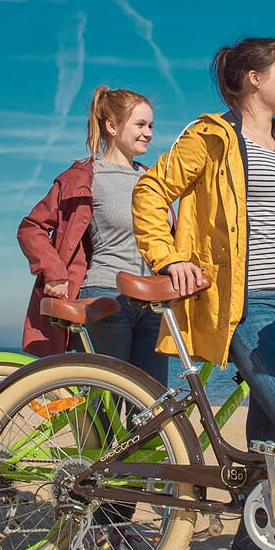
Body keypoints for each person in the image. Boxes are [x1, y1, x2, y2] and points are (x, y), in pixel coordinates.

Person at [130, 37, 275, 550]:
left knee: (273, 443)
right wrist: (168, 256)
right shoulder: (213, 138)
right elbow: (151, 190)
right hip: (245, 304)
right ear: (253, 79)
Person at [17, 86, 168, 386]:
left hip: (152, 304)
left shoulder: (154, 179)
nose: (149, 133)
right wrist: (54, 272)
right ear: (112, 126)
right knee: (102, 404)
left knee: (154, 407)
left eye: (151, 126)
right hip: (106, 297)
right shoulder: (85, 177)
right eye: (140, 125)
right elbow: (31, 227)